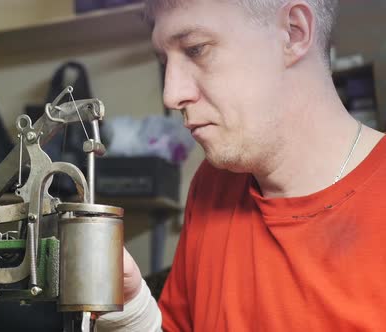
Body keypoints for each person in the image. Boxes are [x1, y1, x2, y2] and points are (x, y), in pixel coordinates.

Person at [97, 0, 386, 330]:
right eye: (165, 62)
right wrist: (132, 313)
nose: (171, 94)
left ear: (293, 33)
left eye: (196, 49)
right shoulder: (214, 184)